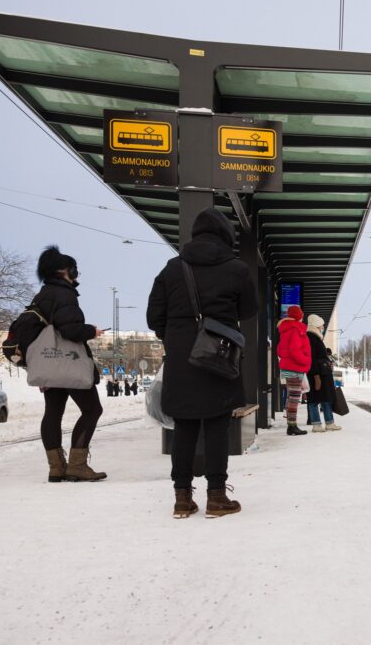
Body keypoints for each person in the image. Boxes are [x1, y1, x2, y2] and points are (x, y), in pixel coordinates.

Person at [147, 208, 257, 519]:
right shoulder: (236, 269)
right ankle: (216, 497)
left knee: (184, 425)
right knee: (217, 425)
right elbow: (249, 309)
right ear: (225, 235)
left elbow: (154, 317)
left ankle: (182, 498)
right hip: (218, 354)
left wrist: (177, 335)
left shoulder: (172, 269)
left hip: (182, 358)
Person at [33, 246, 107, 483]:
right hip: (68, 364)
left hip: (49, 363)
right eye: (74, 269)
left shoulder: (42, 294)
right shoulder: (64, 294)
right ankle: (77, 465)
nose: (77, 274)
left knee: (53, 412)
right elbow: (71, 330)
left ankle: (56, 468)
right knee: (92, 410)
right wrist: (92, 331)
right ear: (64, 271)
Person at [277, 305, 311, 436]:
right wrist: (306, 360)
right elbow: (295, 350)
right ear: (298, 316)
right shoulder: (296, 329)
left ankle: (291, 425)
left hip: (288, 367)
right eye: (301, 315)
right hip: (295, 367)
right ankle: (292, 427)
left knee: (292, 396)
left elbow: (280, 350)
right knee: (294, 397)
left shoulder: (285, 330)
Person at [305, 314, 340, 432]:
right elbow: (313, 358)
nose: (323, 327)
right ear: (316, 325)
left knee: (325, 398)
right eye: (321, 325)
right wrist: (316, 376)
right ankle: (316, 424)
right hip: (318, 374)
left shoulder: (314, 337)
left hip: (321, 374)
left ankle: (329, 423)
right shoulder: (311, 338)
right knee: (314, 399)